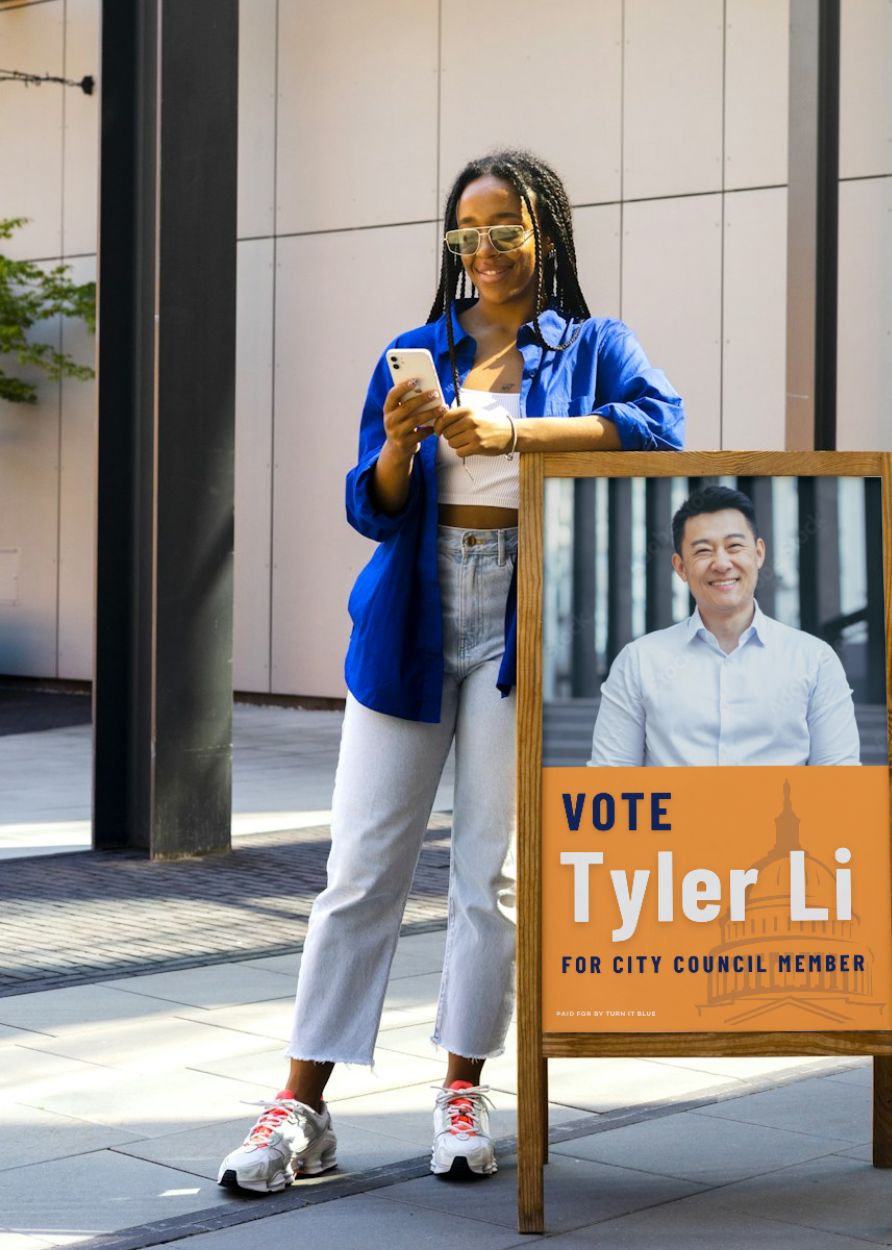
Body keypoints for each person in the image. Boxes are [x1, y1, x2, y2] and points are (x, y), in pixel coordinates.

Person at [218, 150, 683, 1193]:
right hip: (413, 617)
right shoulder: (413, 351)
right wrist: (394, 446)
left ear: (545, 237)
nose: (482, 250)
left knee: (491, 879)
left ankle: (461, 1086)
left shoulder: (594, 344)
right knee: (358, 871)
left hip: (525, 619)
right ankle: (301, 1101)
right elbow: (369, 506)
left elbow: (658, 432)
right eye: (464, 232)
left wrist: (512, 430)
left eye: (502, 229)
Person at [588, 484, 858, 768]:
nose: (721, 563)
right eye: (703, 550)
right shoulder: (639, 661)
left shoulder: (815, 659)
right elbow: (610, 780)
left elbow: (840, 782)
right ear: (680, 567)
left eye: (734, 546)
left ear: (758, 553)